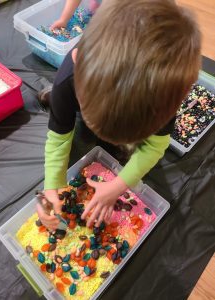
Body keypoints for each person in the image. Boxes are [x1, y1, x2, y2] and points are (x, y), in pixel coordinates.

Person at [37, 0, 201, 230]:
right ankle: (59, 99)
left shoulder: (165, 94)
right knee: (62, 102)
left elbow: (154, 146)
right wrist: (51, 186)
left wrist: (118, 186)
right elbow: (58, 136)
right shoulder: (69, 76)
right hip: (68, 87)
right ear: (77, 60)